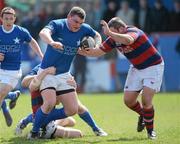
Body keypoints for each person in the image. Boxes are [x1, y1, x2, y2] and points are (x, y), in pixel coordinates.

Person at [78, 17, 164, 140]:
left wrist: (110, 33)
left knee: (146, 100)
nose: (112, 35)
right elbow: (97, 52)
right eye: (110, 32)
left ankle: (151, 132)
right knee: (128, 101)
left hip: (153, 66)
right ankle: (143, 116)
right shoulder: (114, 38)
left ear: (123, 28)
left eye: (114, 32)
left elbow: (128, 40)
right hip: (137, 68)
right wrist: (79, 51)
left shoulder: (134, 32)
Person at [29, 6, 107, 138]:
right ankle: (34, 132)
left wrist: (96, 45)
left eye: (81, 23)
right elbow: (43, 33)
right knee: (49, 103)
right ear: (69, 17)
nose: (78, 25)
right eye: (75, 21)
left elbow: (97, 35)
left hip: (65, 74)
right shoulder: (57, 24)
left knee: (73, 109)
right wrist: (52, 42)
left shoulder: (84, 28)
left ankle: (38, 121)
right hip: (48, 73)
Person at [15, 64, 82, 139]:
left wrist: (71, 88)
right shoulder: (39, 78)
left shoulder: (57, 74)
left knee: (71, 121)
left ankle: (25, 122)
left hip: (45, 118)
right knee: (79, 134)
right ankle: (38, 131)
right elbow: (24, 82)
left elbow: (57, 102)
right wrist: (46, 74)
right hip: (45, 124)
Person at [0, 7, 43, 109]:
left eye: (11, 18)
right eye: (6, 18)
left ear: (14, 19)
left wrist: (41, 55)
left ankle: (7, 100)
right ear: (1, 19)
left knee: (1, 93)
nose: (8, 21)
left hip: (13, 72)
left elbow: (32, 41)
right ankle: (12, 96)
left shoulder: (20, 31)